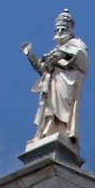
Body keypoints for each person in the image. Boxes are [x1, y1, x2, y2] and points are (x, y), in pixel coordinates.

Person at [22, 11, 89, 146]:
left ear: (70, 31)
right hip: (50, 84)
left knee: (61, 109)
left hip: (66, 81)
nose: (59, 32)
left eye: (63, 29)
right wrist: (30, 55)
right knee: (47, 110)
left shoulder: (76, 43)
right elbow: (43, 69)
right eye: (57, 29)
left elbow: (81, 57)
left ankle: (61, 132)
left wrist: (60, 55)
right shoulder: (54, 50)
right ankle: (43, 134)